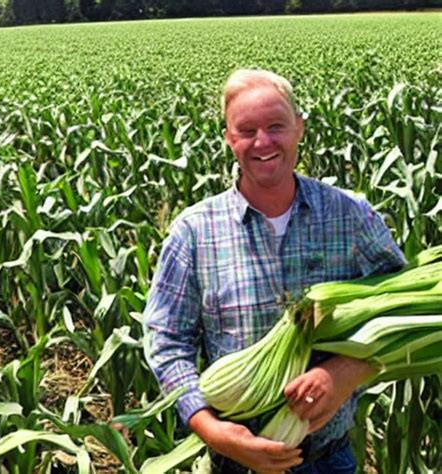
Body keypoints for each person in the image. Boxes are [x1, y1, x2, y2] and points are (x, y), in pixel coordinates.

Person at [143, 68, 406, 473]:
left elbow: (400, 309)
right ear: (229, 138)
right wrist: (211, 429)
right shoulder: (195, 231)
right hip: (234, 461)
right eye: (246, 130)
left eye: (276, 126)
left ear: (299, 128)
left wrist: (346, 370)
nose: (262, 142)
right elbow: (167, 342)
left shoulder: (350, 216)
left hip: (327, 459)